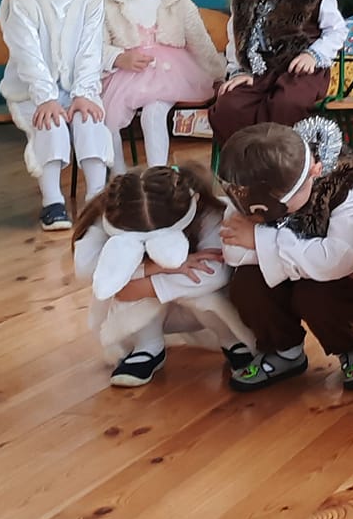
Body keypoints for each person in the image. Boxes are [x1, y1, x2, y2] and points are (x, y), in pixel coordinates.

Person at [217, 118, 353, 391]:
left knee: (317, 292)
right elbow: (234, 253)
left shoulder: (349, 189)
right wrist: (304, 257)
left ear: (314, 172)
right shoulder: (249, 181)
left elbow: (339, 261)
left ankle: (352, 346)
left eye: (278, 209)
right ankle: (284, 351)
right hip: (304, 270)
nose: (259, 220)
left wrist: (259, 240)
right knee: (247, 283)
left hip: (340, 285)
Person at [71, 161, 258, 387]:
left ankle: (232, 340)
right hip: (141, 311)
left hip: (197, 312)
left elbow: (216, 274)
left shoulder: (209, 213)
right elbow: (88, 267)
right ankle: (147, 346)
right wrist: (158, 267)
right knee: (117, 275)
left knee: (203, 289)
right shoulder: (115, 210)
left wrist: (141, 286)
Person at [0, 0, 110, 231]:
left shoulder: (93, 1)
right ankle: (52, 201)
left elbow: (91, 50)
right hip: (32, 90)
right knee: (50, 122)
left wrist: (84, 92)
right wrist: (46, 98)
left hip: (79, 88)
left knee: (89, 120)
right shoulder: (22, 2)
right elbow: (27, 55)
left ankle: (97, 199)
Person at [99, 0, 225, 170]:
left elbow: (198, 38)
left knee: (154, 114)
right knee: (107, 117)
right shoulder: (108, 1)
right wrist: (119, 58)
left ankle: (158, 173)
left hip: (169, 72)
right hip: (127, 72)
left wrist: (218, 72)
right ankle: (118, 174)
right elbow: (97, 44)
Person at [211, 0, 345, 143]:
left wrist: (313, 55)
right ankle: (249, 156)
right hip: (259, 71)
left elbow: (337, 30)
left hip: (301, 71)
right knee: (230, 105)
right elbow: (236, 37)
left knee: (287, 103)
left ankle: (286, 155)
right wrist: (239, 72)